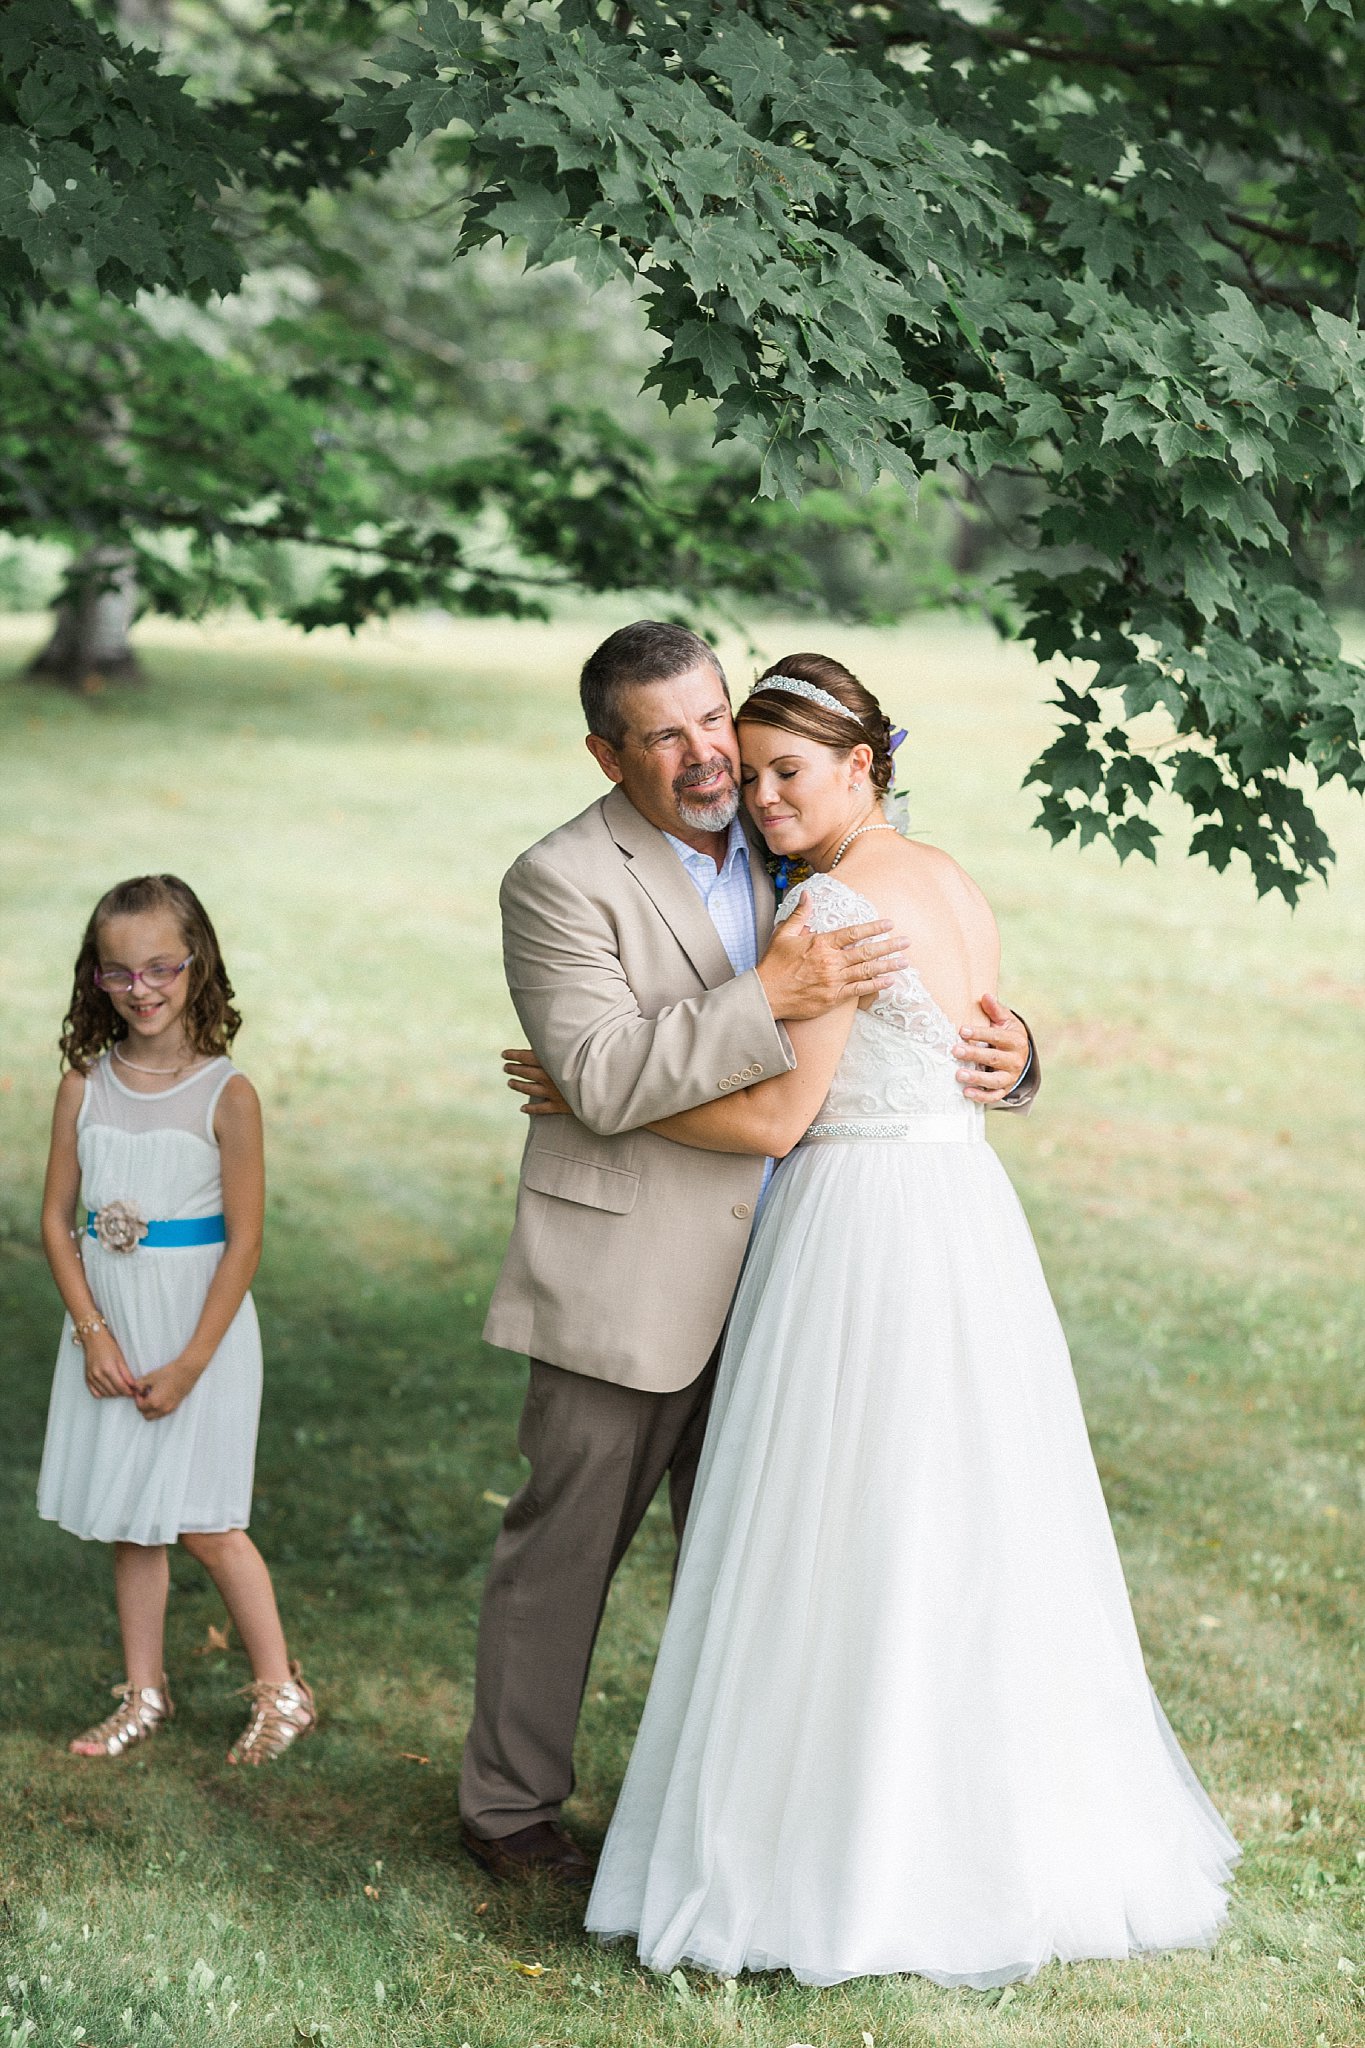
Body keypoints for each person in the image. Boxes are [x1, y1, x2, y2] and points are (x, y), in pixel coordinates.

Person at [584, 657, 1238, 1986]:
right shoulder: (945, 874)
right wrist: (1024, 1064)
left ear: (863, 765)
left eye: (790, 773)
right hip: (964, 1220)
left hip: (860, 1229)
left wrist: (597, 1096)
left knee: (851, 1523)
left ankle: (845, 1850)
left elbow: (778, 1119)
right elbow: (978, 1044)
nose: (761, 799)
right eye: (751, 772)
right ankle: (990, 1823)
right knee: (966, 1518)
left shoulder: (828, 903)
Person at [461, 621, 1037, 1881]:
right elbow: (605, 1064)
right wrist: (748, 1007)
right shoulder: (559, 878)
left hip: (813, 1271)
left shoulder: (797, 839)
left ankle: (751, 1813)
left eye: (711, 717)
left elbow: (916, 994)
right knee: (566, 1545)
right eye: (664, 733)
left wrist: (1017, 1053)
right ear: (607, 752)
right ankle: (508, 1807)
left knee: (774, 1557)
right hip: (637, 1265)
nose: (710, 756)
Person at [37, 873, 316, 1766]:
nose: (141, 989)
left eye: (161, 967)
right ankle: (144, 1693)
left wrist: (193, 1360)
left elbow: (244, 1242)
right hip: (110, 1324)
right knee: (131, 1517)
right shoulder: (85, 1086)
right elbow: (55, 1220)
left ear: (199, 966)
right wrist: (92, 1331)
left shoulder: (226, 1094)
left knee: (204, 1521)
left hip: (202, 1328)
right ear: (95, 978)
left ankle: (282, 1692)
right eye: (118, 973)